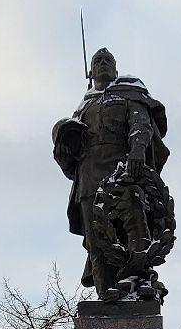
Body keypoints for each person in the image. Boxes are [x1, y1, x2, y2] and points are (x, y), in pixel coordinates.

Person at [52, 48, 173, 302]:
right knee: (96, 241)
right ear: (91, 71)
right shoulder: (84, 107)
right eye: (98, 61)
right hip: (89, 179)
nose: (103, 63)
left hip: (123, 172)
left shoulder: (128, 93)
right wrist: (65, 138)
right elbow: (69, 153)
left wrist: (138, 150)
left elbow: (141, 124)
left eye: (108, 60)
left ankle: (138, 283)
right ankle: (106, 295)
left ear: (116, 70)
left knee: (133, 227)